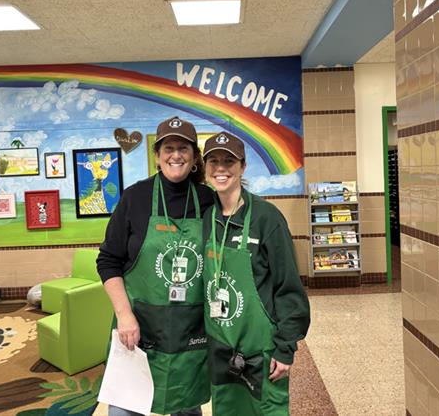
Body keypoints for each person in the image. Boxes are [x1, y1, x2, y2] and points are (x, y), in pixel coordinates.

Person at [97, 116, 214, 416]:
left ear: (194, 157)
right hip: (138, 328)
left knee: (186, 409)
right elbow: (108, 260)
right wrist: (124, 315)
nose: (176, 155)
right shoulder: (135, 197)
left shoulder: (208, 201)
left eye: (183, 148)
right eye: (168, 148)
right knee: (125, 410)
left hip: (190, 330)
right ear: (157, 155)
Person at [201, 131, 310, 415]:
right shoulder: (205, 218)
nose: (221, 168)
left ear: (243, 166)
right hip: (221, 350)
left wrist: (285, 349)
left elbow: (288, 288)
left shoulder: (267, 218)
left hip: (261, 352)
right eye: (214, 161)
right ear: (205, 168)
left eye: (229, 161)